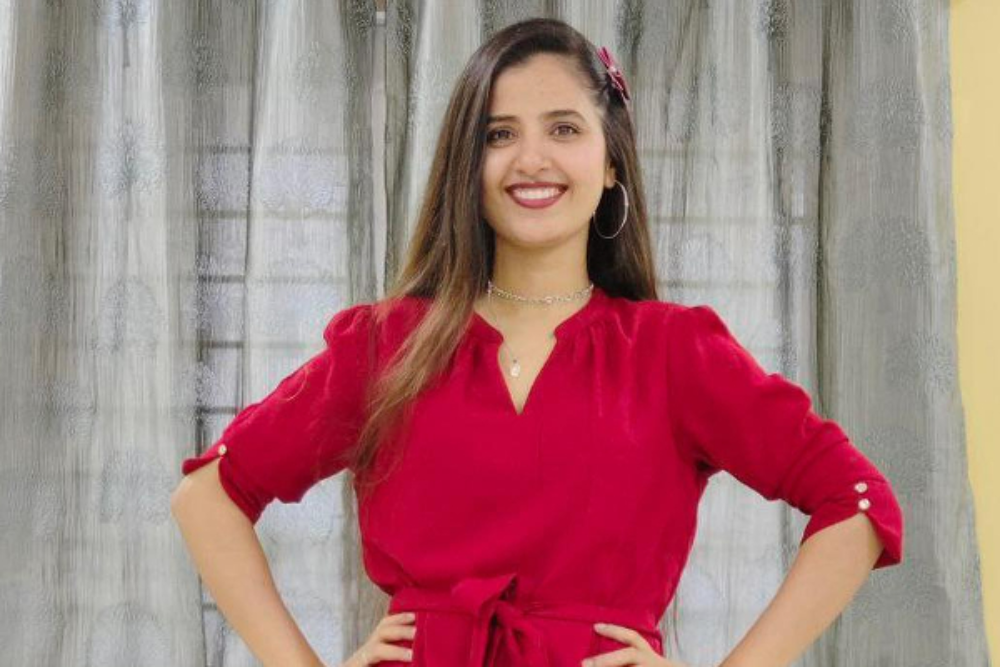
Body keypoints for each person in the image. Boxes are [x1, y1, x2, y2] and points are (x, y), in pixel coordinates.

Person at [170, 17, 904, 667]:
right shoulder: (386, 347)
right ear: (468, 164)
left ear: (611, 161)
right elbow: (209, 495)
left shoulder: (673, 353)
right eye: (499, 134)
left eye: (564, 129)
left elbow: (858, 501)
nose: (531, 160)